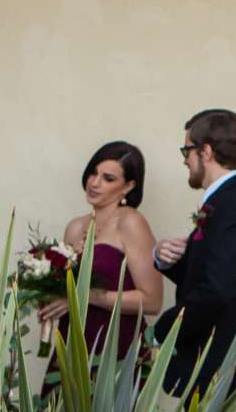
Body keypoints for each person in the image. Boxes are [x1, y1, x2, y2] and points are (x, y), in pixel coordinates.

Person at [150, 109, 236, 396]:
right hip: (209, 361)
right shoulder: (223, 202)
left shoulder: (235, 206)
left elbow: (218, 289)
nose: (184, 159)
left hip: (223, 364)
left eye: (187, 149)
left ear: (206, 151)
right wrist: (164, 259)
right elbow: (208, 273)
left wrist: (166, 327)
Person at [39, 140, 162, 375]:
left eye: (108, 178)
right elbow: (65, 290)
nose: (94, 183)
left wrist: (81, 297)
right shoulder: (75, 227)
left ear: (128, 186)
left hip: (115, 348)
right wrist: (48, 299)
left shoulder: (132, 223)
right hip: (73, 344)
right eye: (93, 173)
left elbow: (152, 301)